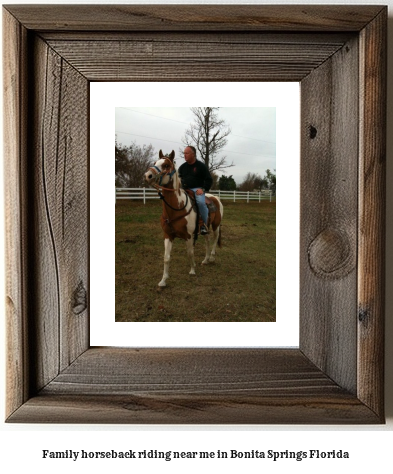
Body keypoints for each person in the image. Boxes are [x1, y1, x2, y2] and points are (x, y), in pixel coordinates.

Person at [178, 146, 213, 235]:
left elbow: (209, 179)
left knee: (201, 203)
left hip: (198, 189)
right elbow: (178, 179)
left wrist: (203, 189)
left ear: (193, 154)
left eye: (187, 153)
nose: (184, 155)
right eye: (184, 153)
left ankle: (203, 225)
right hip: (184, 189)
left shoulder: (201, 166)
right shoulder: (182, 167)